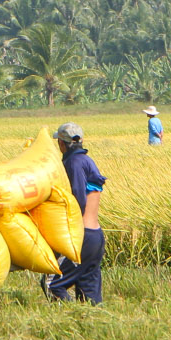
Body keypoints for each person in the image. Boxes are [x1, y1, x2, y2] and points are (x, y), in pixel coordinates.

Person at [45, 122, 106, 304]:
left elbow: (78, 199)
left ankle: (66, 315)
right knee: (88, 291)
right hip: (95, 236)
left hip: (82, 237)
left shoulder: (74, 163)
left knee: (52, 284)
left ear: (61, 144)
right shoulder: (87, 160)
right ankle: (90, 318)